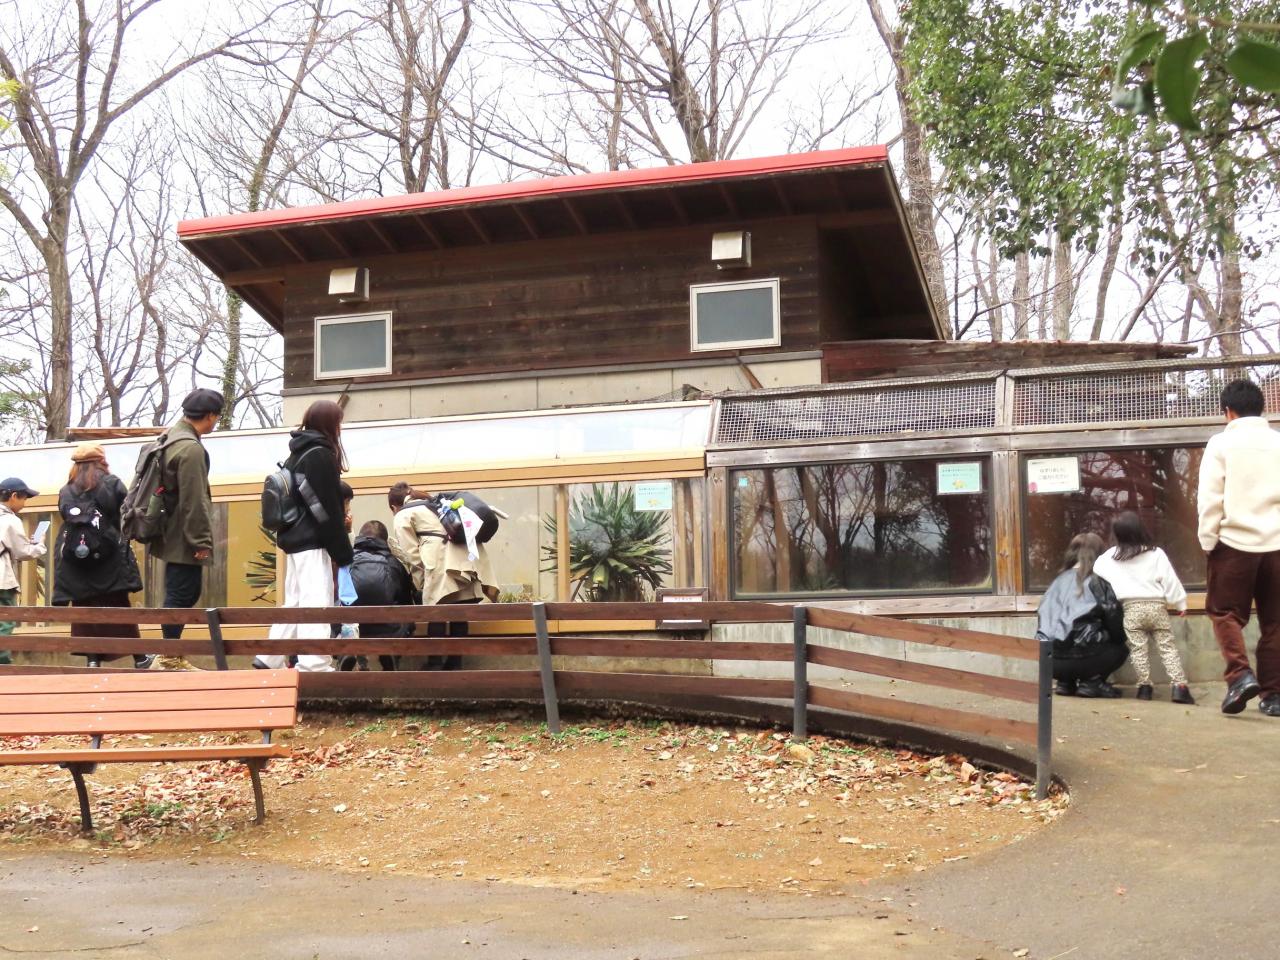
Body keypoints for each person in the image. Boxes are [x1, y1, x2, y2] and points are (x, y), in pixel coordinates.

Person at [1197, 378, 1280, 717]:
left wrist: (1208, 540)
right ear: (1261, 409)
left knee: (1224, 613)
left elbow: (1210, 498)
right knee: (1276, 621)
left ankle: (1240, 675)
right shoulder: (1278, 442)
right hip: (1278, 543)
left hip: (1233, 543)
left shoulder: (1221, 444)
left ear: (1228, 411)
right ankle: (1274, 696)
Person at [255, 400, 351, 672]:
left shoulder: (297, 453)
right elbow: (325, 507)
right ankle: (314, 664)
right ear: (330, 424)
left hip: (294, 538)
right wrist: (342, 551)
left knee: (295, 601)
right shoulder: (320, 454)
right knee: (316, 601)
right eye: (339, 423)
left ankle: (269, 658)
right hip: (313, 541)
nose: (340, 428)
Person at [52, 444, 148, 669]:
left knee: (84, 608)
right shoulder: (112, 483)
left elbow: (66, 517)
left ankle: (93, 660)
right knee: (118, 608)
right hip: (109, 557)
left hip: (77, 560)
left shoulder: (66, 490)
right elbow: (125, 513)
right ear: (101, 461)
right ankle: (139, 657)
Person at [149, 387, 223, 671]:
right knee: (181, 594)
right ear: (210, 415)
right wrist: (201, 543)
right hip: (184, 535)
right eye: (217, 417)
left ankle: (170, 656)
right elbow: (195, 501)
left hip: (170, 529)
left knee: (181, 593)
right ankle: (168, 658)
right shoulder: (190, 449)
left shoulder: (169, 439)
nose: (216, 422)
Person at [388, 483, 498, 669]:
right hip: (467, 559)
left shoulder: (403, 514)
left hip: (440, 562)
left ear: (393, 506)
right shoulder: (437, 504)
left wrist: (422, 579)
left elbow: (410, 554)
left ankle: (435, 664)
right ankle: (455, 664)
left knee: (436, 611)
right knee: (459, 613)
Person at [1094, 511, 1193, 705]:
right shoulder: (1156, 554)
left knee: (1138, 649)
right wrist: (1180, 603)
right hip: (1157, 607)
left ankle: (1144, 688)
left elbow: (1096, 568)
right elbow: (1170, 580)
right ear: (1140, 529)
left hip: (1131, 609)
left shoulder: (1111, 556)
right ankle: (1179, 687)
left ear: (1117, 533)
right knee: (1167, 648)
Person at [1037, 532, 1128, 699]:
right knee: (1121, 649)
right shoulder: (1098, 582)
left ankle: (1065, 683)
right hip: (1086, 656)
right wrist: (1118, 638)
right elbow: (1115, 622)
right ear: (1100, 555)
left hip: (1050, 661)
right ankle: (1091, 682)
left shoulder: (1056, 582)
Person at [340, 520, 415, 671]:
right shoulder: (394, 563)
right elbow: (406, 600)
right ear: (385, 541)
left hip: (353, 628)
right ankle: (390, 652)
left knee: (341, 610)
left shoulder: (347, 561)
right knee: (408, 617)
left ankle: (346, 652)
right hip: (388, 629)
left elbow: (338, 594)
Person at [0, 477, 48, 665]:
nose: (24, 503)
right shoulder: (10, 520)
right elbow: (24, 552)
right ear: (13, 496)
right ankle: (2, 665)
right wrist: (40, 544)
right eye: (24, 498)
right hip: (2, 581)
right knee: (5, 622)